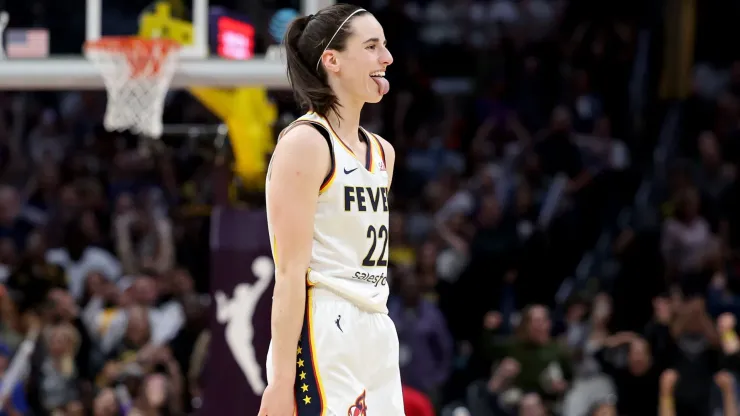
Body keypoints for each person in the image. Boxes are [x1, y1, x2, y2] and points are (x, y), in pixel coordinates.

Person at [258, 3, 400, 415]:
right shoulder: (305, 143)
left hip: (376, 321)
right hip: (325, 324)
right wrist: (280, 384)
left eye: (385, 46)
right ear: (332, 60)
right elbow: (289, 273)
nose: (386, 58)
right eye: (372, 46)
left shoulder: (382, 153)